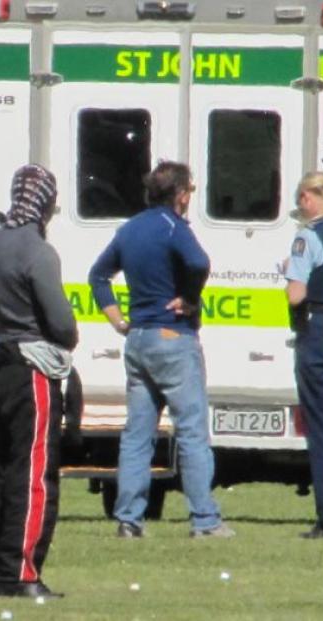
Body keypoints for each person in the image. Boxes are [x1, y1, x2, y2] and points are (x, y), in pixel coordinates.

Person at [88, 160, 234, 540]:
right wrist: (189, 296)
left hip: (137, 340)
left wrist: (118, 321)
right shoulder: (174, 227)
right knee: (190, 431)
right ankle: (205, 519)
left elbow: (98, 275)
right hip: (173, 338)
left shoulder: (130, 229)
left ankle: (129, 519)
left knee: (138, 434)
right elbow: (199, 261)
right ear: (181, 195)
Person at [0, 164, 78, 599]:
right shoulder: (38, 251)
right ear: (47, 202)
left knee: (0, 470)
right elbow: (60, 322)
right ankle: (24, 572)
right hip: (33, 368)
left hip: (1, 367)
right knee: (33, 473)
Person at [283, 171, 323, 540]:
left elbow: (296, 295)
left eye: (303, 197)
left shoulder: (307, 237)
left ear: (309, 198)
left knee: (321, 427)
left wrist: (288, 274)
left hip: (318, 331)